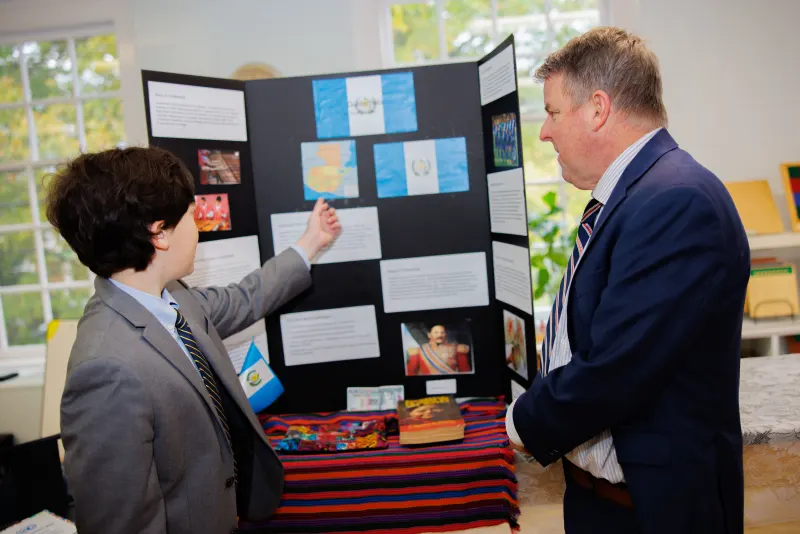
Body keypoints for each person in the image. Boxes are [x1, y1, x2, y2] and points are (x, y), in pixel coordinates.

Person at [506, 27, 749, 534]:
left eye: (552, 112)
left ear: (598, 108)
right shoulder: (634, 195)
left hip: (655, 515)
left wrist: (518, 421)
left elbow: (615, 368)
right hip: (601, 504)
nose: (544, 133)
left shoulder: (676, 200)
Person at [47, 146, 341, 534]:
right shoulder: (106, 369)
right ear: (159, 233)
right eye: (191, 215)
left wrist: (311, 243)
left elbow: (244, 298)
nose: (198, 227)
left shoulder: (172, 297)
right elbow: (122, 522)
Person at [406, 324, 471, 375]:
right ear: (429, 335)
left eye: (442, 333)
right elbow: (411, 373)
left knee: (414, 328)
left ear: (445, 334)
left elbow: (465, 371)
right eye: (436, 333)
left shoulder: (457, 349)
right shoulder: (418, 352)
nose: (440, 335)